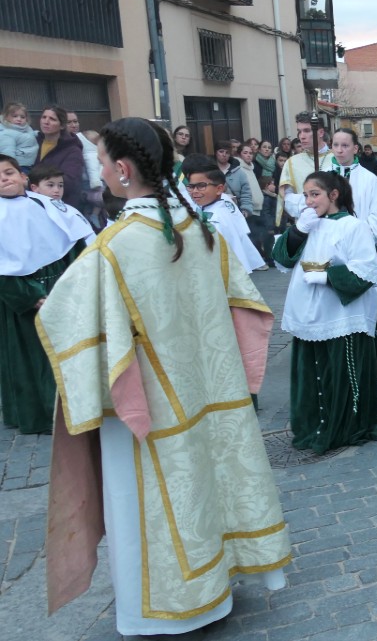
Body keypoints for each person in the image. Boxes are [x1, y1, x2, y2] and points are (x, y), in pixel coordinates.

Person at [38, 118, 291, 635]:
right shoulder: (199, 228)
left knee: (148, 502)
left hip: (147, 407)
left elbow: (69, 321)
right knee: (211, 481)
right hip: (211, 390)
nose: (99, 172)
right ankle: (218, 587)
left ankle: (163, 612)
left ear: (123, 169)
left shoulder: (115, 245)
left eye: (102, 161)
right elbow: (245, 305)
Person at [273, 171, 377, 454]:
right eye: (306, 195)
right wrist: (298, 231)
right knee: (313, 372)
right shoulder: (308, 223)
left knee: (341, 373)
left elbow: (366, 271)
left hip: (341, 315)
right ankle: (313, 423)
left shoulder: (354, 226)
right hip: (308, 311)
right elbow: (282, 258)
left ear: (333, 195)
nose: (309, 201)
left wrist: (328, 276)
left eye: (315, 195)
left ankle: (347, 425)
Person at [0, 155, 91, 435]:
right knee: (32, 360)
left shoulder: (47, 205)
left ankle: (80, 410)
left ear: (23, 176)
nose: (4, 178)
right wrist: (31, 297)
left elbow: (72, 242)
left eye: (8, 172)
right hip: (23, 302)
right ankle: (40, 416)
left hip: (61, 289)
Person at [326, 127, 377, 378]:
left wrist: (361, 236)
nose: (340, 150)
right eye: (336, 145)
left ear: (356, 148)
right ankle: (341, 359)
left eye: (345, 145)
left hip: (363, 249)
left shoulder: (368, 179)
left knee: (372, 301)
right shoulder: (324, 177)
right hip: (333, 249)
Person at [183, 166, 266, 273]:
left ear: (219, 189)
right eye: (191, 186)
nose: (194, 191)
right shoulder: (209, 207)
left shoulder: (216, 219)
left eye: (201, 186)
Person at [280, 113, 334, 221]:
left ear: (321, 132)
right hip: (305, 222)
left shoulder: (337, 159)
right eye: (299, 131)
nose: (302, 136)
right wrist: (309, 203)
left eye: (307, 130)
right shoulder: (292, 162)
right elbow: (285, 197)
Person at [33, 105, 85, 214]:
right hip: (35, 203)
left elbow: (70, 181)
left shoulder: (72, 150)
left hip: (62, 207)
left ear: (61, 125)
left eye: (52, 119)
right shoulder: (33, 142)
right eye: (44, 117)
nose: (46, 122)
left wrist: (35, 182)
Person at [214, 140, 255, 217]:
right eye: (221, 151)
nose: (224, 155)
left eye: (227, 152)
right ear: (216, 153)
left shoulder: (239, 172)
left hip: (236, 212)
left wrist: (245, 210)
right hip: (216, 212)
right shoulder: (210, 172)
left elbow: (246, 193)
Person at [0, 102, 38, 169]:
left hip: (31, 163)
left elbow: (28, 134)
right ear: (6, 117)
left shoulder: (26, 128)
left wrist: (37, 133)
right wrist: (11, 167)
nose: (19, 119)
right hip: (20, 165)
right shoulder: (6, 133)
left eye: (22, 117)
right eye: (15, 116)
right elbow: (7, 152)